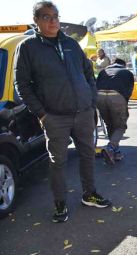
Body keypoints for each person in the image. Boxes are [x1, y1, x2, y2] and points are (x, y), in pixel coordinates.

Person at [14, 1, 111, 223]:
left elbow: (88, 72)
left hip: (83, 112)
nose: (53, 20)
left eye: (55, 16)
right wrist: (41, 114)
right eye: (47, 17)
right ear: (36, 21)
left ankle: (89, 194)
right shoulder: (28, 48)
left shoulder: (70, 44)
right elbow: (22, 85)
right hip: (54, 116)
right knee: (58, 162)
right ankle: (60, 203)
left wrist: (91, 99)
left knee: (87, 154)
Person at [96, 58, 134, 165]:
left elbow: (95, 85)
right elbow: (129, 90)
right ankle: (110, 147)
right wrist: (124, 105)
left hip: (99, 97)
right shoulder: (126, 72)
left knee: (110, 124)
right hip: (116, 97)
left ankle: (115, 152)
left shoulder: (103, 71)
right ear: (124, 65)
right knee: (121, 126)